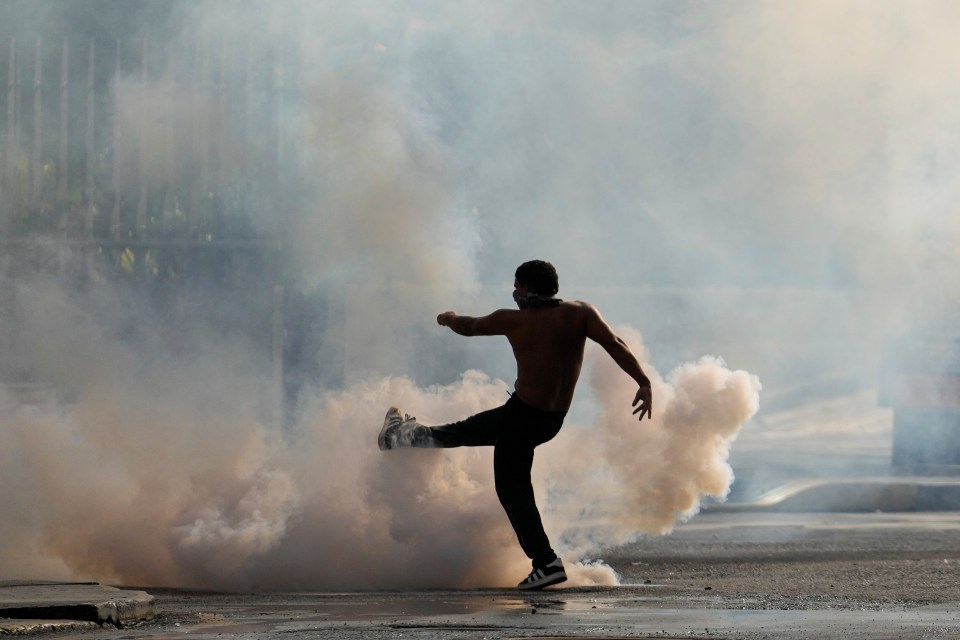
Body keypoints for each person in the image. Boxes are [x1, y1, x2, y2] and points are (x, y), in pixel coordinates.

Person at [377, 259, 653, 590]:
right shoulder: (580, 314)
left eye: (517, 285)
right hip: (550, 421)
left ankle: (546, 563)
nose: (514, 291)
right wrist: (643, 381)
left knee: (511, 487)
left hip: (522, 418)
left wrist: (447, 318)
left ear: (525, 287)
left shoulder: (515, 320)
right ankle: (399, 436)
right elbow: (615, 344)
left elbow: (470, 325)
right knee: (460, 433)